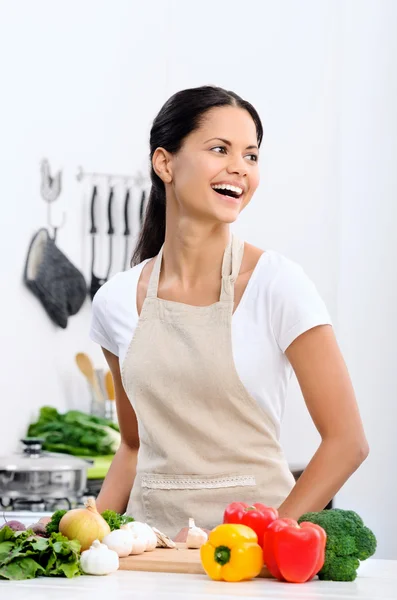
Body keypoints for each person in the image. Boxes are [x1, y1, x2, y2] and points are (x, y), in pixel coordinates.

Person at [90, 85, 369, 540]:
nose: (239, 167)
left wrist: (263, 540)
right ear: (165, 163)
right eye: (220, 149)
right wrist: (88, 532)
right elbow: (133, 445)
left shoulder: (277, 284)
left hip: (253, 560)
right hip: (148, 556)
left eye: (251, 156)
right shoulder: (116, 301)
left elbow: (347, 444)